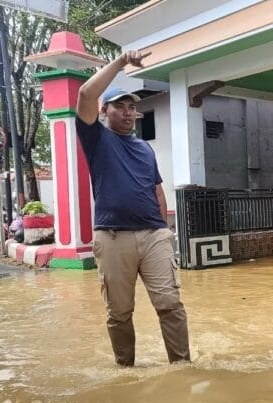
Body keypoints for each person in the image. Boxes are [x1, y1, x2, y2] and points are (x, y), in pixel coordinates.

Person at [75, 50, 190, 366]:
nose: (127, 113)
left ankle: (182, 367)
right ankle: (126, 369)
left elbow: (156, 189)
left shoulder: (144, 148)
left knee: (170, 304)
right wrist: (120, 63)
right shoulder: (96, 139)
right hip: (113, 237)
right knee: (120, 311)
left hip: (154, 235)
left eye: (131, 107)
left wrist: (165, 230)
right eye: (119, 107)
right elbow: (85, 92)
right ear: (104, 111)